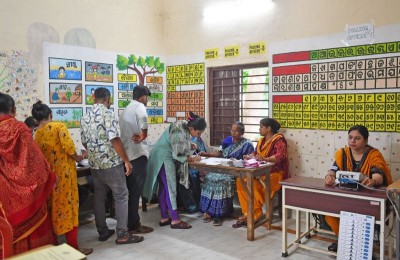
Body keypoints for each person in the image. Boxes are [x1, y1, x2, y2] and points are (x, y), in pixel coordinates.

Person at [80, 87, 143, 245]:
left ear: (94, 98)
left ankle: (103, 231)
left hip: (95, 165)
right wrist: (127, 161)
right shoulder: (108, 114)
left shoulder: (85, 116)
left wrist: (94, 153)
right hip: (111, 164)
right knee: (121, 195)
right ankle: (122, 234)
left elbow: (84, 141)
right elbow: (114, 140)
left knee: (99, 197)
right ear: (108, 100)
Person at [31, 101, 93, 255]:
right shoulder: (59, 127)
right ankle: (73, 247)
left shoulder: (36, 133)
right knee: (69, 208)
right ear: (50, 115)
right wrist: (81, 157)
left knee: (53, 209)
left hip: (49, 178)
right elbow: (70, 149)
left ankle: (54, 244)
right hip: (64, 176)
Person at [0, 93, 56, 255]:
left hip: (4, 196)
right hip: (29, 194)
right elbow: (35, 162)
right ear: (13, 109)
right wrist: (50, 176)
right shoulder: (19, 128)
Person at [324, 125, 393, 252]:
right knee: (330, 213)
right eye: (350, 138)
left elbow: (378, 175)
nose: (352, 141)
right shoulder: (343, 153)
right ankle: (344, 240)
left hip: (366, 199)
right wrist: (329, 176)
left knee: (361, 217)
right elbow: (333, 170)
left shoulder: (373, 155)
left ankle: (361, 249)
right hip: (346, 197)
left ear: (366, 141)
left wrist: (373, 180)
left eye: (357, 138)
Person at [143, 111, 206, 229]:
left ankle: (164, 217)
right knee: (171, 188)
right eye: (198, 133)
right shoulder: (179, 129)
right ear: (192, 128)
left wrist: (190, 143)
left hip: (159, 156)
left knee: (164, 188)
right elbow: (178, 154)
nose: (198, 136)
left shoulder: (183, 125)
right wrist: (193, 159)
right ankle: (175, 220)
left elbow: (180, 140)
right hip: (164, 158)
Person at [234, 117, 289, 228]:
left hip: (276, 173)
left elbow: (281, 155)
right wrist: (249, 156)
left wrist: (265, 159)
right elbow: (255, 153)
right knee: (241, 181)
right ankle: (248, 212)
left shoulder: (279, 139)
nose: (259, 129)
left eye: (261, 127)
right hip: (260, 172)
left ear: (268, 128)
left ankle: (254, 214)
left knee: (255, 184)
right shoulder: (261, 141)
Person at [199, 122, 254, 226]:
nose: (233, 133)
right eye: (232, 130)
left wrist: (239, 161)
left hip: (235, 171)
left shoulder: (247, 144)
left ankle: (219, 214)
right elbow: (219, 153)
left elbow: (249, 160)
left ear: (242, 132)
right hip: (222, 168)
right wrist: (205, 154)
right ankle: (209, 211)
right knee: (210, 177)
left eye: (236, 131)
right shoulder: (227, 140)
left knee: (222, 181)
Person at [119, 85, 153, 234]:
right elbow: (144, 118)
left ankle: (129, 222)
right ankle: (133, 224)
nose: (147, 101)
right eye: (147, 98)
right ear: (143, 97)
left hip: (128, 156)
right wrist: (144, 134)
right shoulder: (139, 107)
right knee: (135, 191)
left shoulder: (127, 109)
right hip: (137, 155)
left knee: (130, 191)